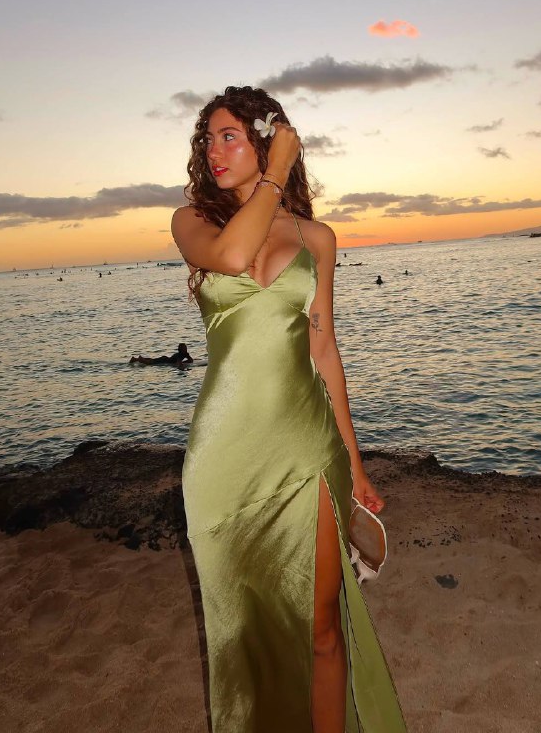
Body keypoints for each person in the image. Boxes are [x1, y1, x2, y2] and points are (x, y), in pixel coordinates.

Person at [170, 86, 407, 732]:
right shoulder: (193, 222)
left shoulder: (315, 237)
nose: (214, 151)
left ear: (265, 139)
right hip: (223, 456)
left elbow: (324, 350)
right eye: (208, 139)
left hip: (307, 446)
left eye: (229, 137)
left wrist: (355, 464)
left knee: (322, 625)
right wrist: (275, 173)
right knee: (242, 626)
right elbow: (230, 258)